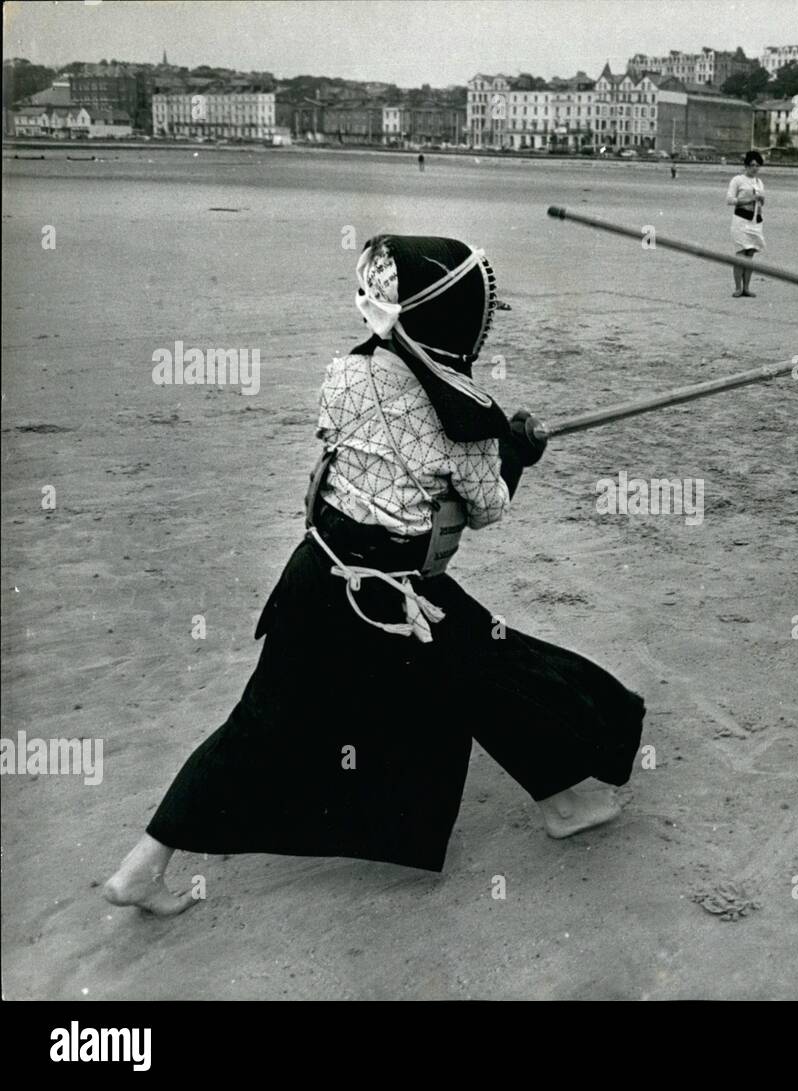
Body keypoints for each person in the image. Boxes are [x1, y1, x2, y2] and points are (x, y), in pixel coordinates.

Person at [104, 235, 645, 915]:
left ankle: (143, 863)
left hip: (318, 574)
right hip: (393, 596)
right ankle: (567, 799)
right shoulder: (465, 422)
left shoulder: (346, 372)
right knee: (489, 669)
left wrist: (498, 439)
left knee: (257, 723)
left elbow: (365, 442)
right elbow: (485, 509)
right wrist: (517, 452)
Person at [726, 150, 766, 298]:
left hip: (755, 221)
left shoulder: (759, 182)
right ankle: (738, 288)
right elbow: (729, 200)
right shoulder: (738, 180)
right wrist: (749, 200)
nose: (755, 168)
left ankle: (747, 288)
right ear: (746, 165)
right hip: (741, 220)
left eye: (757, 165)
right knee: (740, 254)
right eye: (752, 165)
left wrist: (761, 199)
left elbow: (762, 202)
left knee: (750, 255)